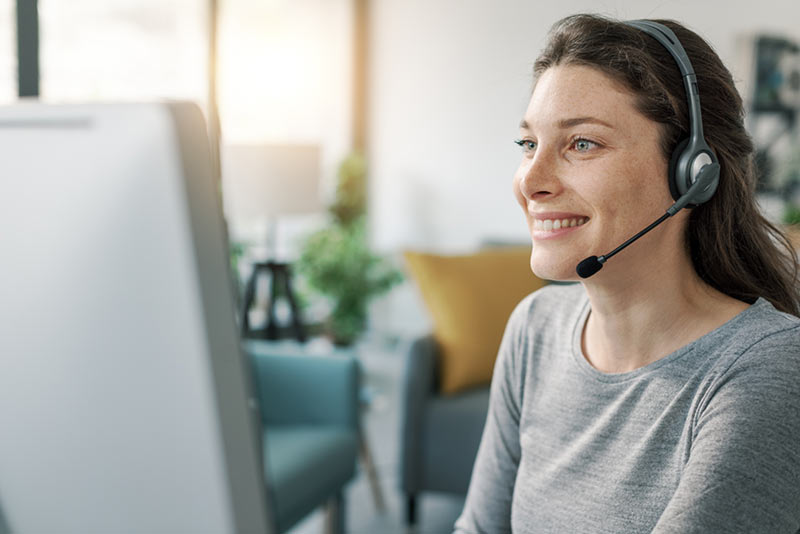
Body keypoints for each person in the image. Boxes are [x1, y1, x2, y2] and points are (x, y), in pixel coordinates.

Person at [454, 14, 800, 534]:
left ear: (692, 172)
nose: (531, 181)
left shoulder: (768, 367)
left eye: (581, 144)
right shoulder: (534, 328)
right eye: (528, 145)